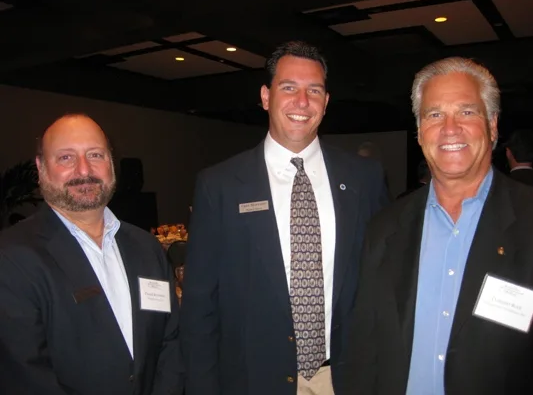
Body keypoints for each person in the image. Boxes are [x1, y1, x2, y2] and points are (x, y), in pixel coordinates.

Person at [180, 41, 388, 395]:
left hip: (344, 378)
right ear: (266, 97)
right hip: (254, 379)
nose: (302, 102)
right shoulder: (219, 186)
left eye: (314, 91)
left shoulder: (365, 179)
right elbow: (200, 305)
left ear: (326, 102)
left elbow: (383, 283)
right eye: (289, 87)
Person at [338, 57, 533, 395]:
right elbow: (364, 348)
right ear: (419, 132)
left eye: (467, 112)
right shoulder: (385, 227)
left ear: (492, 126)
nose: (450, 128)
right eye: (434, 115)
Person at [0, 114, 183, 395]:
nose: (84, 170)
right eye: (66, 158)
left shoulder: (146, 247)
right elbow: (25, 375)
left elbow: (171, 340)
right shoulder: (11, 256)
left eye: (95, 155)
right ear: (41, 168)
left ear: (111, 162)